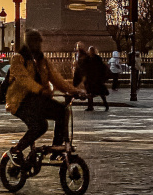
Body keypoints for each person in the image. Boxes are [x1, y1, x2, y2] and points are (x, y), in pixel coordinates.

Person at [6, 30, 83, 164]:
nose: (38, 45)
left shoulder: (42, 61)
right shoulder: (18, 59)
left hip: (38, 101)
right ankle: (16, 150)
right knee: (40, 126)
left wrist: (75, 91)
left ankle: (57, 148)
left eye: (39, 42)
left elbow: (56, 79)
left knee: (62, 112)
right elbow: (24, 80)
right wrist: (40, 90)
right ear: (29, 42)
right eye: (35, 42)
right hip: (20, 102)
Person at [74, 44, 109, 112]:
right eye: (90, 50)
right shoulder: (88, 59)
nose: (91, 52)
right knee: (90, 93)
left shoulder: (98, 58)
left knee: (101, 92)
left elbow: (102, 68)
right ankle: (90, 106)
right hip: (90, 78)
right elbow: (83, 66)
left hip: (96, 78)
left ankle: (106, 104)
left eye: (92, 50)